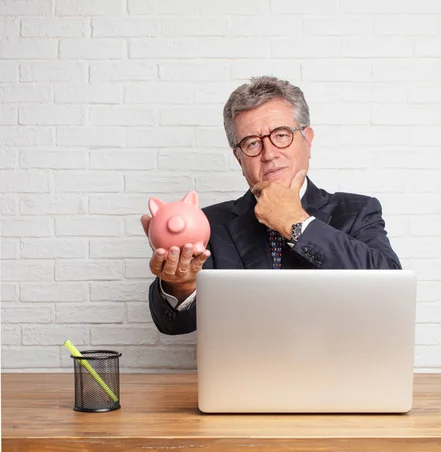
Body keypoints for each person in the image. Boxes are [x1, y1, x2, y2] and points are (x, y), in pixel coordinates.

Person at [142, 76, 401, 335]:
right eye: (252, 143)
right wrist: (181, 285)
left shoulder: (357, 211)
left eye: (281, 135)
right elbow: (174, 326)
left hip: (340, 371)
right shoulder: (208, 225)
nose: (269, 154)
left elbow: (390, 291)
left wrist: (297, 223)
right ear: (238, 156)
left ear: (307, 140)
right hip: (243, 374)